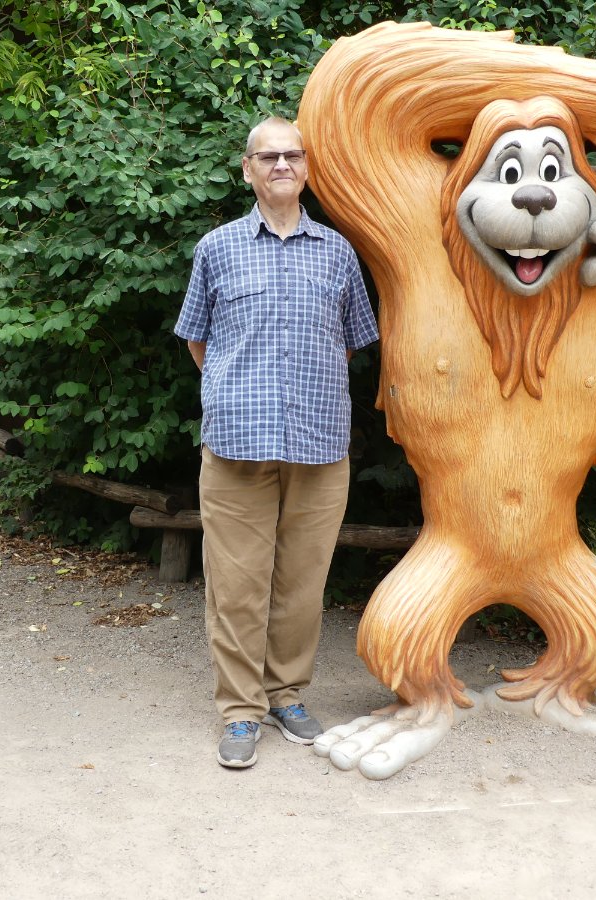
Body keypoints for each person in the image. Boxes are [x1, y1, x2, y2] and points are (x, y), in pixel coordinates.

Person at [174, 116, 379, 769]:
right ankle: (241, 710)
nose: (281, 165)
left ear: (307, 169)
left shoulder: (338, 253)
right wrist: (234, 390)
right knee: (236, 586)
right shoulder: (217, 248)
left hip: (319, 441)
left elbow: (350, 342)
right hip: (237, 441)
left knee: (301, 584)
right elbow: (197, 338)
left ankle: (286, 694)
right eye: (268, 157)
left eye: (292, 155)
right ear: (248, 169)